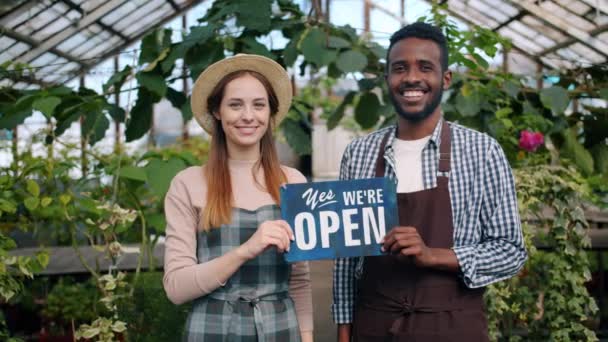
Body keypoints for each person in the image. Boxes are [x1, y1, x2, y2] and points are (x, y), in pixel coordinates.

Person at [332, 22, 527, 341]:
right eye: (399, 68)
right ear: (387, 80)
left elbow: (510, 250)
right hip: (375, 325)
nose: (411, 78)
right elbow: (346, 257)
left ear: (445, 78)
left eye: (425, 67)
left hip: (453, 326)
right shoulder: (360, 153)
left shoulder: (481, 151)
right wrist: (344, 333)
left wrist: (432, 254)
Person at [163, 54, 313, 342]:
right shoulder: (188, 183)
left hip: (281, 329)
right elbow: (176, 288)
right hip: (212, 330)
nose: (248, 116)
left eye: (259, 105)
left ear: (270, 113)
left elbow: (300, 280)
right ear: (217, 111)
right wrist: (246, 250)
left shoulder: (292, 182)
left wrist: (307, 338)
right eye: (235, 104)